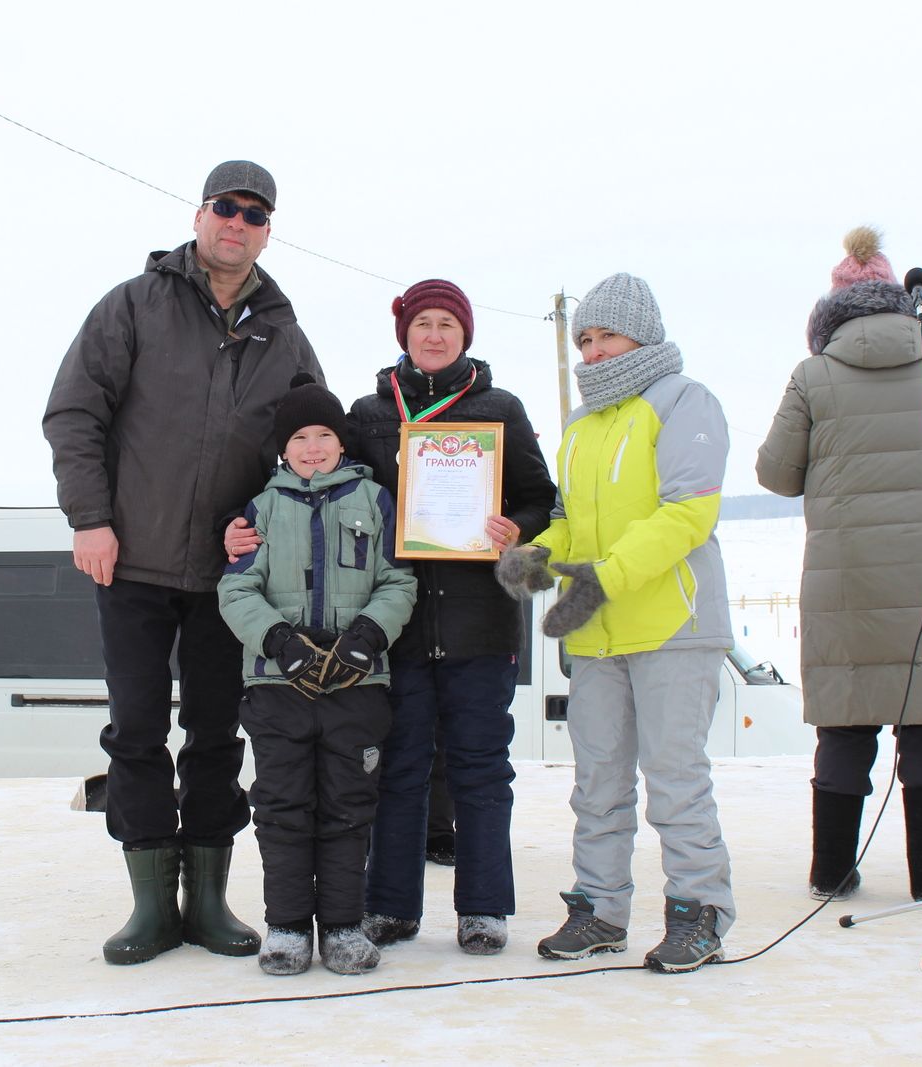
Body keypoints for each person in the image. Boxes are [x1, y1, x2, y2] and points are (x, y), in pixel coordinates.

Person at [42, 161, 321, 965]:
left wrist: (269, 526)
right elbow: (74, 412)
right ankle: (149, 907)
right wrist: (91, 519)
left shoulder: (283, 329)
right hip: (127, 561)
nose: (238, 223)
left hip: (230, 577)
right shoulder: (134, 305)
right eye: (226, 208)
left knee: (214, 736)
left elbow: (312, 443)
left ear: (268, 231)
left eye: (256, 214)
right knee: (135, 732)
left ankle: (205, 900)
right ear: (200, 215)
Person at [498, 273, 737, 974]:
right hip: (598, 633)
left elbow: (688, 512)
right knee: (597, 780)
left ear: (644, 334)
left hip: (673, 625)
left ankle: (702, 912)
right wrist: (541, 556)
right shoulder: (582, 423)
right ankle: (598, 910)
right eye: (586, 339)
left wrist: (607, 575)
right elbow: (575, 521)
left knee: (675, 777)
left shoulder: (685, 401)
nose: (594, 351)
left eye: (607, 336)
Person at [756, 228, 922, 905]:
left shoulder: (812, 375)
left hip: (847, 582)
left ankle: (831, 870)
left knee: (847, 721)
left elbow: (775, 473)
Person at [338, 278, 556, 955]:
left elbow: (541, 499)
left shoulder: (499, 408)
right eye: (423, 322)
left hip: (480, 625)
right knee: (398, 766)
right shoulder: (369, 413)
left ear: (465, 336)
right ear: (404, 332)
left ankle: (484, 907)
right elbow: (340, 500)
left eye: (448, 324)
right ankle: (391, 905)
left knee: (481, 769)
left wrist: (511, 528)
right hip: (396, 629)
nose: (434, 334)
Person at [218, 375, 416, 975]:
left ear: (341, 442)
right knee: (282, 808)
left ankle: (341, 926)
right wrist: (280, 641)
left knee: (348, 808)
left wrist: (365, 640)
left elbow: (398, 582)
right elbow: (236, 587)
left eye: (323, 434)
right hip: (280, 688)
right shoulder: (260, 509)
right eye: (299, 436)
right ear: (283, 447)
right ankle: (286, 928)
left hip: (356, 687)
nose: (311, 446)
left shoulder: (376, 501)